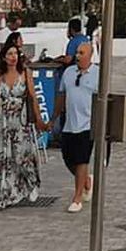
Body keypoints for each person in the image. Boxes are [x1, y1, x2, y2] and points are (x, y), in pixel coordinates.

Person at [0, 42, 48, 210]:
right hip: (2, 124)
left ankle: (30, 183)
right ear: (4, 57)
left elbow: (32, 97)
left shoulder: (26, 74)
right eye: (9, 54)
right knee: (0, 160)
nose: (13, 57)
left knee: (22, 157)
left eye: (15, 54)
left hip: (21, 122)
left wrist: (39, 120)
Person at [55, 40, 98, 213]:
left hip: (87, 124)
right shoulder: (68, 73)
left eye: (82, 53)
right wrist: (53, 119)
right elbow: (61, 96)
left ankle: (77, 197)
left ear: (90, 55)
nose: (78, 56)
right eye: (77, 53)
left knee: (82, 159)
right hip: (69, 123)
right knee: (68, 158)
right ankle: (86, 181)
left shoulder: (97, 74)